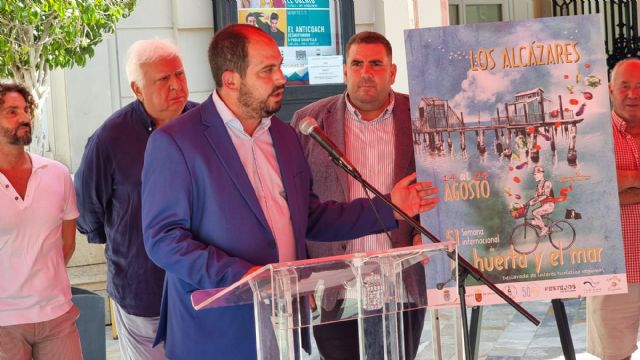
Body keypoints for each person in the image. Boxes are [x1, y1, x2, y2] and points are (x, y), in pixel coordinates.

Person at [140, 24, 438, 359]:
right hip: (216, 331)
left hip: (284, 326)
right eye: (268, 70)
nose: (281, 78)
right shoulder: (177, 142)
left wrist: (390, 209)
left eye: (279, 66)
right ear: (231, 80)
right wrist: (244, 277)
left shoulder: (285, 135)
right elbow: (163, 240)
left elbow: (309, 217)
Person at [291, 31, 434, 360]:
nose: (365, 72)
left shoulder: (421, 116)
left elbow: (442, 183)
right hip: (334, 284)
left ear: (392, 72)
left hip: (401, 282)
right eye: (356, 64)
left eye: (375, 64)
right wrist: (301, 274)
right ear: (345, 71)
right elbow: (295, 205)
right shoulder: (310, 122)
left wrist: (425, 232)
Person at [74, 39, 196, 359]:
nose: (176, 86)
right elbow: (88, 212)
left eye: (179, 74)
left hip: (202, 286)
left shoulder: (206, 125)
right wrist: (127, 240)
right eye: (162, 79)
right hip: (143, 291)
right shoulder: (110, 139)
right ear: (137, 89)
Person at [0, 82, 82, 360]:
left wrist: (43, 283)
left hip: (57, 315)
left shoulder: (57, 174)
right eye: (12, 112)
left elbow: (67, 243)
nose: (24, 118)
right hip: (3, 322)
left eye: (25, 110)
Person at [587, 58, 640, 360]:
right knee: (614, 355)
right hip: (613, 268)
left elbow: (606, 188)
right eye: (625, 86)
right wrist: (607, 186)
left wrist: (618, 181)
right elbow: (591, 193)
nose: (633, 93)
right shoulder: (591, 134)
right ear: (609, 90)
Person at [529, 165, 555, 236]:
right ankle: (546, 228)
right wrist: (527, 203)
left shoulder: (547, 183)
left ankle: (544, 229)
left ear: (541, 174)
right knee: (534, 221)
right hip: (544, 206)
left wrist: (535, 201)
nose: (534, 176)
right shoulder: (538, 186)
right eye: (534, 174)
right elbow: (535, 197)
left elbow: (545, 195)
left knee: (535, 213)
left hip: (549, 205)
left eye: (535, 174)